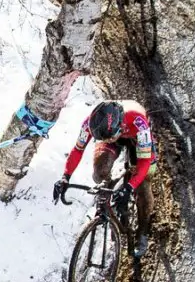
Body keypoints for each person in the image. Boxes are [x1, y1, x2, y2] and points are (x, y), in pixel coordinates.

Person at [52, 100, 157, 257]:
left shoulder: (138, 122)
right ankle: (111, 196)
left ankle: (142, 232)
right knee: (100, 171)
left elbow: (145, 161)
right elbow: (77, 150)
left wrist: (130, 187)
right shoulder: (89, 124)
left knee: (143, 182)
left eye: (109, 138)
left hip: (136, 137)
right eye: (104, 139)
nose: (108, 141)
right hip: (115, 132)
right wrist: (65, 177)